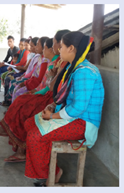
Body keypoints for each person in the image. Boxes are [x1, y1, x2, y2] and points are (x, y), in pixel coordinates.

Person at [23, 31, 103, 186]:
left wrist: (52, 117)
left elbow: (78, 108)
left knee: (35, 136)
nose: (59, 50)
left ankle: (50, 174)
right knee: (29, 123)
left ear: (71, 48)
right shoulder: (75, 68)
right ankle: (49, 167)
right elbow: (66, 97)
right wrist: (53, 106)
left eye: (61, 47)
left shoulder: (84, 71)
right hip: (73, 117)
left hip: (83, 123)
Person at [0, 31, 70, 163]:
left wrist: (36, 92)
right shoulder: (57, 62)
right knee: (21, 100)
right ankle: (10, 132)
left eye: (55, 44)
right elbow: (46, 83)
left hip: (52, 99)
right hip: (48, 95)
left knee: (25, 107)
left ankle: (18, 145)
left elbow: (51, 87)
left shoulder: (64, 64)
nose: (55, 48)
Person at [2, 38, 30, 106]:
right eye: (20, 44)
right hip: (19, 69)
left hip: (22, 70)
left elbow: (22, 62)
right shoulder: (20, 51)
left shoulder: (26, 52)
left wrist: (13, 66)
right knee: (6, 76)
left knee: (9, 78)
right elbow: (12, 59)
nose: (21, 46)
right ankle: (6, 100)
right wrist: (11, 65)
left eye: (23, 45)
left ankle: (8, 101)